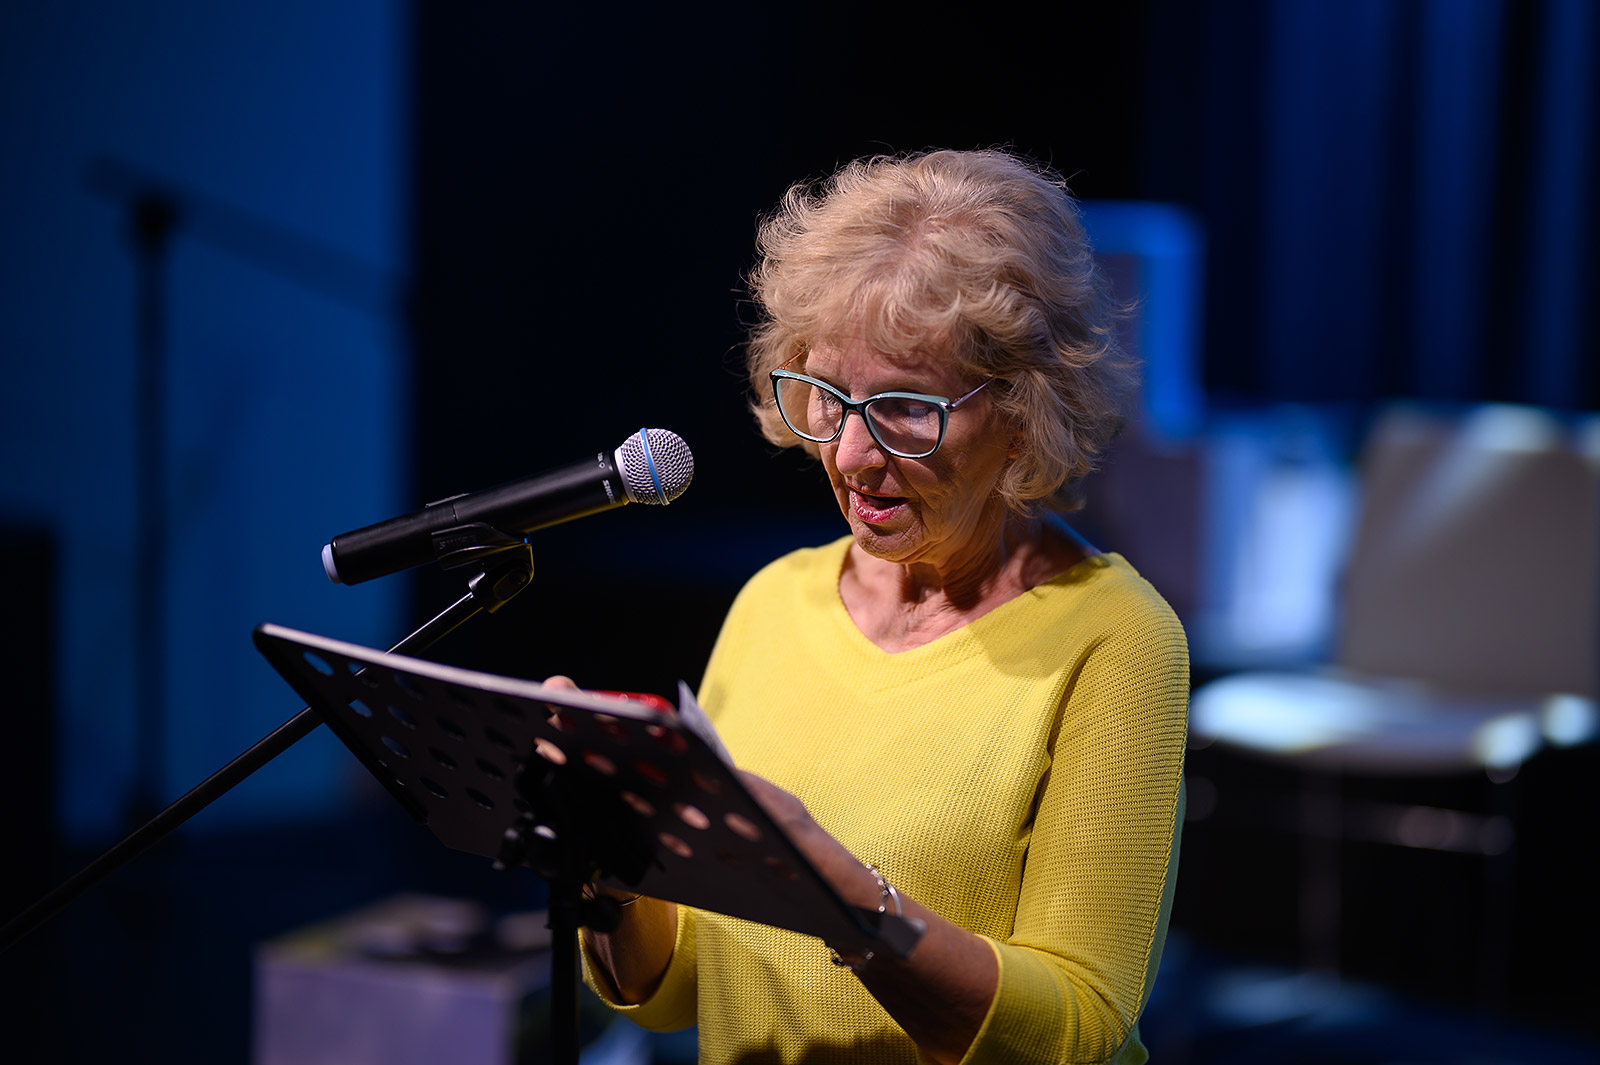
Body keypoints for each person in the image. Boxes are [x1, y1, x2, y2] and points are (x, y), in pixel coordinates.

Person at [562, 148, 1189, 1064]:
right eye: (825, 395)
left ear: (1026, 408)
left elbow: (1078, 1027)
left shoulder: (1114, 638)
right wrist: (611, 874)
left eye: (903, 407)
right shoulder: (775, 601)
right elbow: (689, 984)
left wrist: (836, 890)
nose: (851, 454)